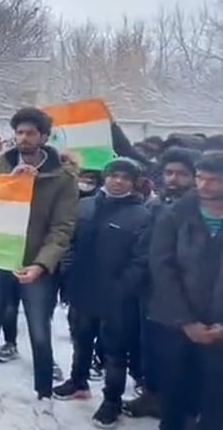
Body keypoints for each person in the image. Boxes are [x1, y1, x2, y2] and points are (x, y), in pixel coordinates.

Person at [0, 107, 78, 430]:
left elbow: (62, 228)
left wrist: (42, 265)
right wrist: (5, 182)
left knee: (40, 332)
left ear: (44, 137)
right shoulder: (0, 165)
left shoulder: (62, 177)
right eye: (19, 133)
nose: (23, 138)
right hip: (0, 259)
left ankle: (44, 397)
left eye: (30, 133)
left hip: (36, 267)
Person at [52, 158, 151, 428]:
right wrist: (69, 273)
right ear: (104, 178)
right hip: (82, 289)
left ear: (133, 183)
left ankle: (111, 401)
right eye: (113, 175)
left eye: (125, 178)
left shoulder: (142, 215)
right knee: (81, 340)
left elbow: (142, 260)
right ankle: (78, 381)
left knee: (114, 353)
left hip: (118, 299)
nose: (117, 181)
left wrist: (122, 288)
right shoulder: (84, 206)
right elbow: (68, 242)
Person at [148, 151, 223, 430]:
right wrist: (187, 322)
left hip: (220, 327)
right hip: (176, 323)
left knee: (216, 400)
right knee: (175, 396)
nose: (204, 186)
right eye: (201, 178)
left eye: (213, 180)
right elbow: (162, 268)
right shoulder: (175, 215)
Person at [124, 147, 198, 420]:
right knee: (150, 349)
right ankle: (152, 396)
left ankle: (183, 410)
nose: (173, 179)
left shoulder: (200, 210)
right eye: (169, 173)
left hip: (186, 295)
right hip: (151, 292)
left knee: (182, 358)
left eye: (181, 174)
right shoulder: (154, 205)